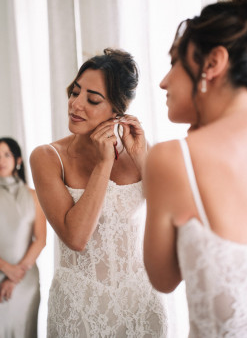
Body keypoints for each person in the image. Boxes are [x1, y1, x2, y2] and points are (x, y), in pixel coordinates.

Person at [30, 48, 171, 337]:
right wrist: (104, 163)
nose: (75, 104)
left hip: (140, 303)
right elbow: (76, 237)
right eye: (75, 92)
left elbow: (172, 218)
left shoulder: (140, 150)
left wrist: (143, 157)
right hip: (80, 308)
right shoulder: (47, 157)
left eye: (92, 99)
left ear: (118, 111)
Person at [143, 0, 247, 337]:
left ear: (213, 63)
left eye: (175, 61)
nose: (164, 80)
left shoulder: (174, 159)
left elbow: (163, 279)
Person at [0, 137, 46, 338]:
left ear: (18, 159)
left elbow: (41, 239)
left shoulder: (34, 195)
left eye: (6, 154)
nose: (1, 160)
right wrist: (6, 269)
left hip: (25, 281)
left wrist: (16, 274)